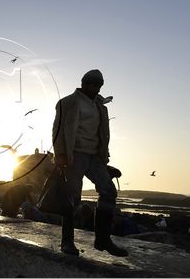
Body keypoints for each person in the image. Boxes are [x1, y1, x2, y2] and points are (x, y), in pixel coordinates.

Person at [52, 69, 128, 257]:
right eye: (92, 84)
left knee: (109, 192)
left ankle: (102, 239)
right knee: (73, 198)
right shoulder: (67, 103)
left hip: (95, 157)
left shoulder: (101, 107)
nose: (95, 87)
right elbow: (57, 130)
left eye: (98, 85)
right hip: (74, 154)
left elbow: (101, 134)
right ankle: (67, 242)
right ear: (83, 83)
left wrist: (105, 159)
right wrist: (60, 154)